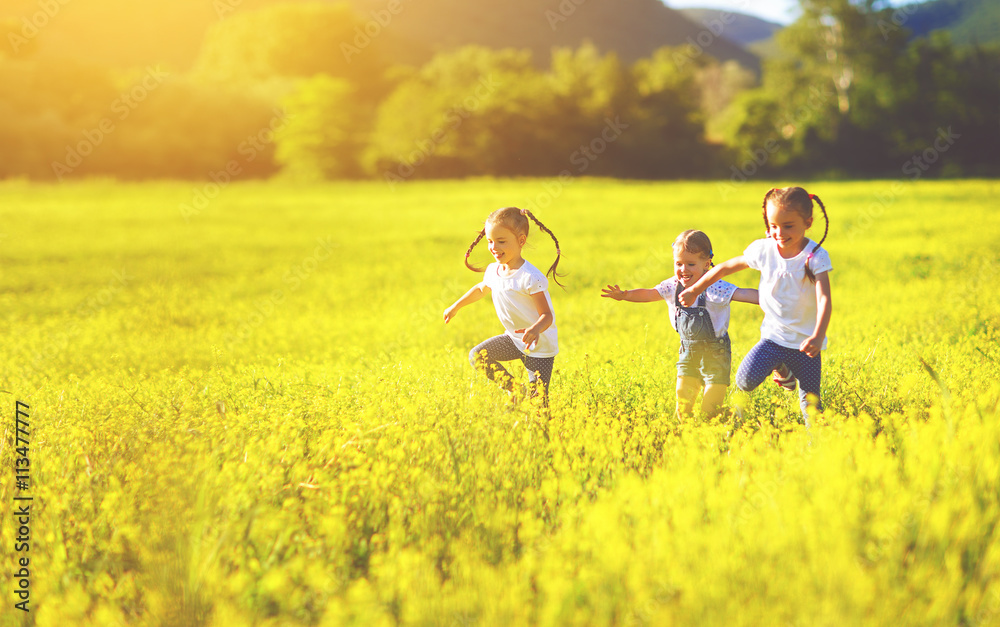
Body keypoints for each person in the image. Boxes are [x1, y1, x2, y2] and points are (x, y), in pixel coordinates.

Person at [679, 187, 832, 424]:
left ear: (808, 222)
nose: (779, 233)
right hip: (773, 338)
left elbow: (824, 299)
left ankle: (816, 446)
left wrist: (818, 335)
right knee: (744, 381)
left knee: (810, 402)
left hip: (806, 344)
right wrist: (694, 290)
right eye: (773, 226)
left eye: (788, 226)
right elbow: (725, 268)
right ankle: (781, 368)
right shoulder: (765, 249)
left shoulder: (815, 257)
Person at [602, 229, 759, 419]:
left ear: (707, 264)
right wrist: (625, 295)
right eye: (679, 263)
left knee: (710, 412)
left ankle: (735, 417)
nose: (683, 269)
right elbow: (650, 293)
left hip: (715, 355)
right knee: (683, 411)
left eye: (691, 264)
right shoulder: (672, 286)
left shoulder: (715, 287)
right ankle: (691, 437)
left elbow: (743, 294)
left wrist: (775, 299)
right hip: (688, 353)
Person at [444, 206, 563, 406]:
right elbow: (481, 289)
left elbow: (547, 316)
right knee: (478, 356)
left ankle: (544, 434)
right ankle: (515, 389)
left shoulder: (530, 277)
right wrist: (455, 306)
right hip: (513, 338)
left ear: (521, 241)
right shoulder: (493, 270)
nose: (494, 247)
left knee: (539, 400)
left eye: (501, 241)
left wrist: (535, 329)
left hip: (538, 344)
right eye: (490, 241)